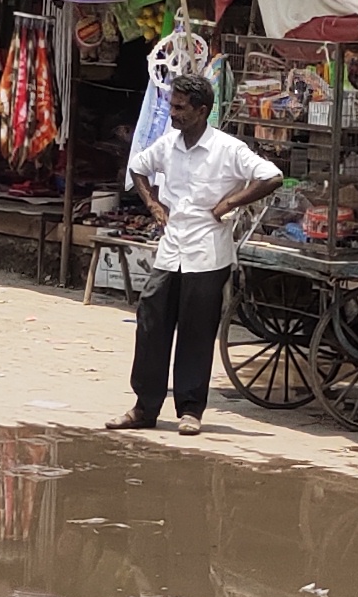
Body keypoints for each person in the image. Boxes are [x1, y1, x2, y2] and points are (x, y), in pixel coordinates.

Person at [113, 76, 281, 435]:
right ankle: (145, 407)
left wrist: (230, 203)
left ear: (201, 111)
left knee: (196, 332)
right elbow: (138, 167)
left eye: (179, 108)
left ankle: (191, 410)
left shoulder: (227, 149)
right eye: (172, 106)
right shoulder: (168, 144)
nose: (172, 113)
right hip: (171, 248)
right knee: (151, 324)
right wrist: (153, 205)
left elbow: (272, 176)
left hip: (208, 252)